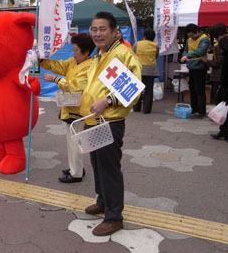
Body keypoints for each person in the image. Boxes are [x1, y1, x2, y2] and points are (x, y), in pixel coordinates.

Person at [80, 12, 142, 236]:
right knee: (97, 163)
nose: (97, 33)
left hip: (110, 121)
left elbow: (133, 88)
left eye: (102, 29)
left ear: (115, 31)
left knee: (109, 168)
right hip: (92, 120)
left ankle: (114, 216)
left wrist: (107, 101)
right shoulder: (99, 54)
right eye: (94, 29)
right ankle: (103, 201)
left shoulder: (122, 54)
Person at [40, 33, 95, 183]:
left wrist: (56, 79)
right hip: (70, 105)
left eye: (76, 50)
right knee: (72, 140)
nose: (73, 53)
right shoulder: (73, 62)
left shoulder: (90, 66)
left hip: (79, 109)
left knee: (74, 141)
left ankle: (76, 173)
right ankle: (76, 167)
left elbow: (76, 86)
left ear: (86, 52)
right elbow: (58, 65)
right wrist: (41, 60)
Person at [180, 24, 209, 118]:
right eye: (189, 36)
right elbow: (186, 50)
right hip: (191, 67)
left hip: (200, 67)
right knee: (192, 89)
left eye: (192, 35)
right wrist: (185, 56)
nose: (191, 37)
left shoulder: (204, 39)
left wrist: (188, 56)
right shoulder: (189, 40)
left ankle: (201, 111)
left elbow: (201, 51)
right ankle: (194, 109)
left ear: (197, 32)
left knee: (199, 90)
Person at [133, 28, 159, 114]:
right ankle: (146, 110)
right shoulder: (155, 46)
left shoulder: (137, 44)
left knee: (137, 89)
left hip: (139, 69)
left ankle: (136, 108)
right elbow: (156, 55)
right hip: (150, 70)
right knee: (149, 90)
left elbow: (132, 54)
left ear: (144, 36)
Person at [206, 23, 228, 105]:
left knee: (218, 96)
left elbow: (219, 62)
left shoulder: (219, 45)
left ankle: (219, 115)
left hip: (218, 74)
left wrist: (207, 61)